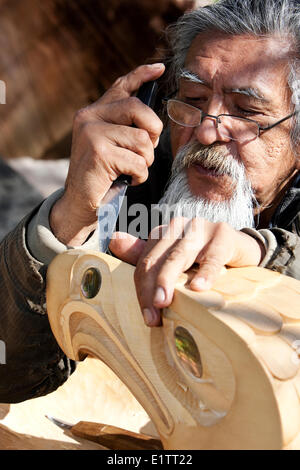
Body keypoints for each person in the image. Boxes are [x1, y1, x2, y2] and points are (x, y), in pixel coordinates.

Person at [1, 0, 300, 403]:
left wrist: (259, 253)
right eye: (193, 100)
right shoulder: (139, 182)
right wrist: (70, 217)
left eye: (245, 111)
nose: (207, 132)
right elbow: (11, 374)